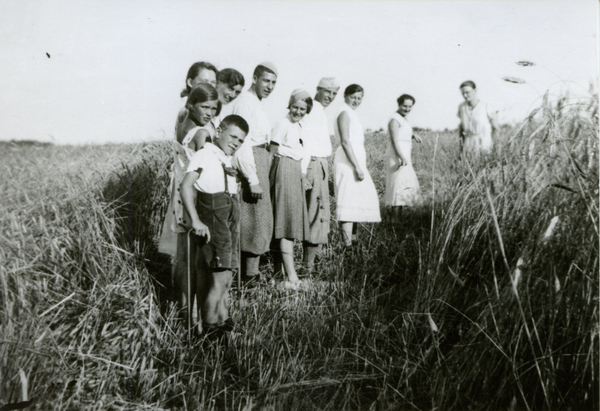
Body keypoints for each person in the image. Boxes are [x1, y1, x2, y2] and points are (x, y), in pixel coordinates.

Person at [179, 115, 249, 337]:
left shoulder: (224, 157)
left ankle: (221, 323)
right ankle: (210, 335)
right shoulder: (206, 153)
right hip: (215, 221)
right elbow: (186, 186)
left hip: (227, 222)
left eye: (241, 140)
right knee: (219, 281)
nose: (236, 143)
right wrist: (196, 221)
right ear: (219, 131)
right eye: (233, 136)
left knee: (224, 280)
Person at [158, 83, 221, 326]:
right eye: (204, 107)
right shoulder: (202, 133)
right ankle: (195, 318)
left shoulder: (185, 122)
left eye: (214, 108)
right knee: (195, 260)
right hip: (194, 195)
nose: (209, 113)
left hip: (179, 195)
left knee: (184, 257)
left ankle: (186, 312)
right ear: (192, 104)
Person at [230, 62, 278, 283]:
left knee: (260, 218)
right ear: (255, 79)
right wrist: (252, 178)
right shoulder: (245, 103)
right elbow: (243, 143)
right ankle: (247, 277)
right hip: (250, 162)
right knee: (252, 219)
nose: (269, 86)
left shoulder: (257, 103)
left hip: (260, 159)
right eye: (266, 81)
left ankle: (251, 274)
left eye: (273, 83)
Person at [269, 89, 312, 289]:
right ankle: (292, 277)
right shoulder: (283, 123)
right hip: (284, 169)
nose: (298, 111)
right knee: (286, 223)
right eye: (295, 107)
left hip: (293, 170)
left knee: (288, 222)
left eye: (302, 109)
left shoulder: (298, 126)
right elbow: (272, 150)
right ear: (289, 105)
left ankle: (279, 275)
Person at [300, 77, 340, 272]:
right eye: (327, 92)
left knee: (320, 213)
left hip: (320, 164)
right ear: (318, 89)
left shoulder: (320, 111)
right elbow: (305, 143)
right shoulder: (313, 110)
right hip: (313, 164)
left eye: (334, 94)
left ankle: (313, 263)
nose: (330, 97)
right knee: (315, 214)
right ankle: (308, 267)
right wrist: (304, 173)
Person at [334, 84, 381, 248]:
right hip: (348, 163)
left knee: (355, 202)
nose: (356, 101)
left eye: (359, 98)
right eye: (353, 97)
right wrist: (356, 167)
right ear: (345, 96)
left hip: (355, 162)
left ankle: (353, 241)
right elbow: (346, 142)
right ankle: (347, 246)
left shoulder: (351, 113)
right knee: (348, 201)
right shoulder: (344, 113)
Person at [384, 94, 422, 220]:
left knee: (402, 188)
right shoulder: (395, 119)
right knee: (397, 188)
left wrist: (413, 135)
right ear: (399, 104)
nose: (407, 109)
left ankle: (398, 220)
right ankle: (394, 223)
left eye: (409, 107)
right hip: (397, 156)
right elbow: (395, 140)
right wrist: (401, 157)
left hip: (404, 156)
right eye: (404, 106)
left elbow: (402, 133)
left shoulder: (402, 118)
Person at [457, 80, 499, 157]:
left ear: (475, 90)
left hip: (484, 144)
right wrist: (461, 149)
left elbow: (495, 128)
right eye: (463, 93)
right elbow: (461, 129)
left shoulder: (486, 105)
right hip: (468, 144)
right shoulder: (462, 107)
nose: (465, 95)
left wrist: (495, 148)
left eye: (467, 92)